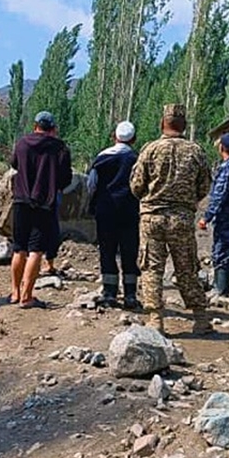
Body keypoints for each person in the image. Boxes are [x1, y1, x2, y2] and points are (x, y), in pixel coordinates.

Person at [130, 104, 212, 334]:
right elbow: (204, 186)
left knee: (152, 269)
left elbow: (137, 185)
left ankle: (155, 320)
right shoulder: (196, 151)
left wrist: (150, 197)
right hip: (182, 219)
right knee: (186, 267)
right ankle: (201, 318)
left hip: (152, 217)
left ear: (161, 123)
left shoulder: (150, 150)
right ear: (184, 125)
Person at [9, 111, 71, 309]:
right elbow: (66, 179)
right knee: (35, 250)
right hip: (45, 204)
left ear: (35, 126)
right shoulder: (60, 148)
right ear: (53, 128)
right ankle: (27, 297)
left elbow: (14, 164)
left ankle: (15, 292)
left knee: (19, 248)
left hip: (20, 200)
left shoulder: (22, 143)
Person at [87, 120, 140, 309]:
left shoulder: (101, 158)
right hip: (130, 211)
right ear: (133, 139)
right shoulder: (138, 159)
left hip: (106, 210)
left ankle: (109, 293)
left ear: (114, 137)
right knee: (129, 251)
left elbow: (91, 185)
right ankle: (130, 295)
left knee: (107, 250)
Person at [198, 133, 229, 297]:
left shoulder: (228, 167)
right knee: (226, 247)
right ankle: (221, 286)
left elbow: (220, 194)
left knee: (222, 249)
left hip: (226, 215)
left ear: (222, 148)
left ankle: (220, 289)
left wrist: (207, 216)